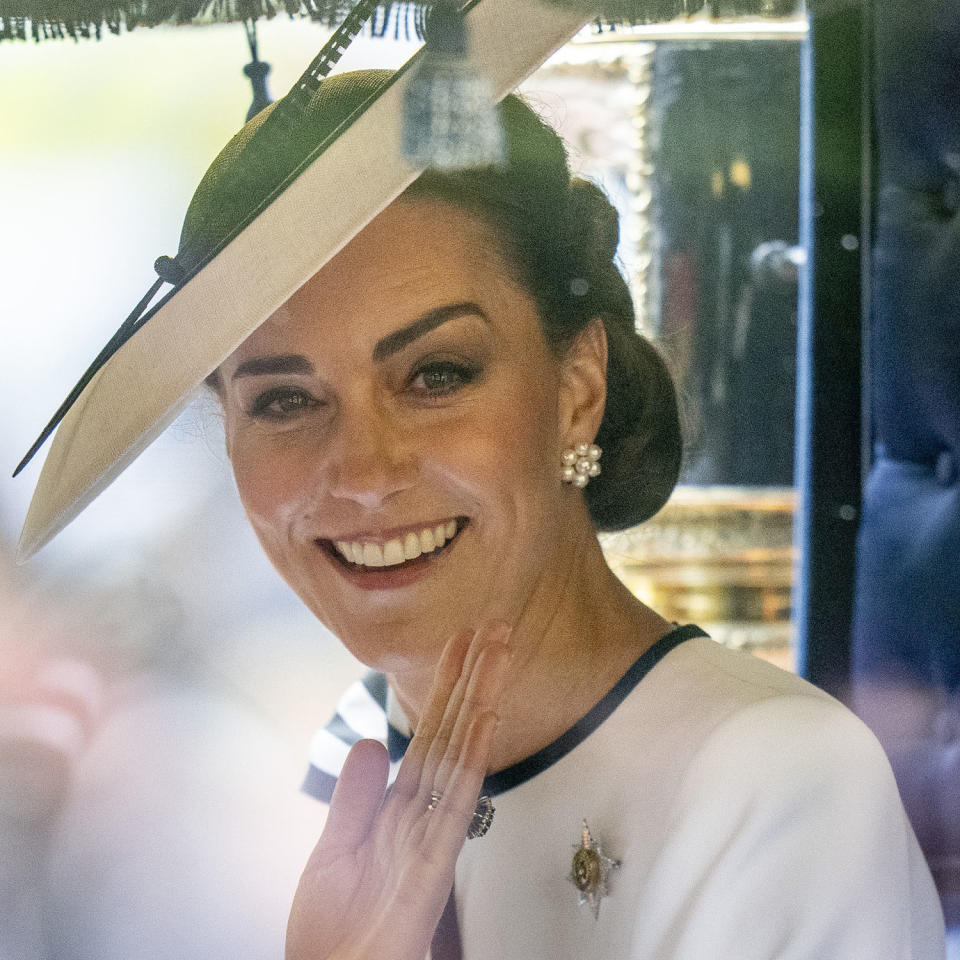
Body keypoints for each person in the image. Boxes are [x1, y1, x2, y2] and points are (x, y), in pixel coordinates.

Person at [19, 58, 946, 960]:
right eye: (285, 401)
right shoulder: (335, 773)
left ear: (577, 389)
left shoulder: (777, 778)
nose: (365, 474)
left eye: (436, 375)